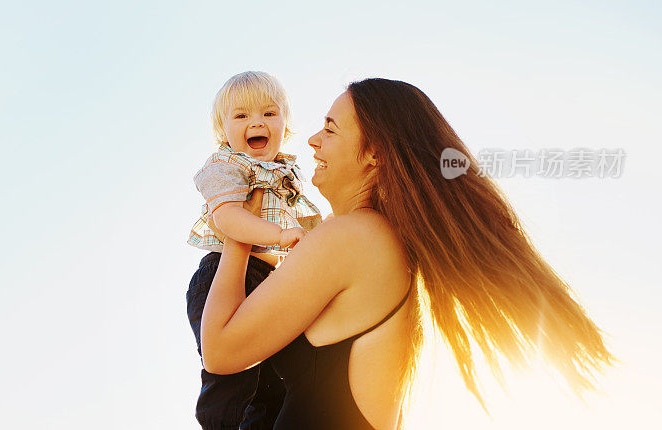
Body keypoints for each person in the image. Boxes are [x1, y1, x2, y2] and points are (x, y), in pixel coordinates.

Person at [200, 78, 614, 430]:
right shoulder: (382, 244)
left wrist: (235, 228)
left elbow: (219, 352)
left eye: (330, 129)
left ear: (375, 154)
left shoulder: (352, 237)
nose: (311, 139)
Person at [186, 71, 322, 429]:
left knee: (274, 382)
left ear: (285, 124)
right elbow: (230, 218)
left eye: (269, 113)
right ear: (224, 132)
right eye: (241, 115)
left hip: (267, 279)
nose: (256, 122)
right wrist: (279, 235)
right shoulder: (227, 165)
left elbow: (308, 227)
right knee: (234, 380)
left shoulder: (285, 172)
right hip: (221, 276)